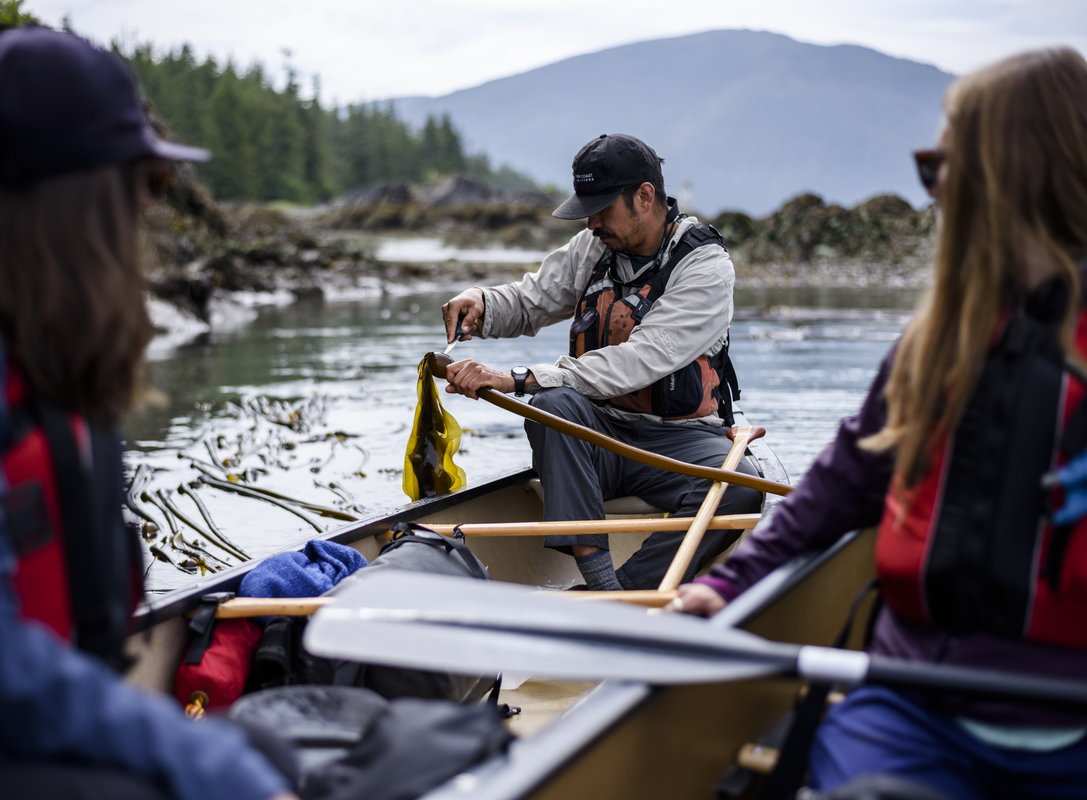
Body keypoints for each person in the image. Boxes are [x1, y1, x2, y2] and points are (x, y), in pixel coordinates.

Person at [0, 28, 297, 800]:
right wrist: (199, 761)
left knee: (273, 755)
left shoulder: (25, 337)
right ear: (78, 199)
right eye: (138, 190)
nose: (142, 222)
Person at [673, 49, 1087, 798]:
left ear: (1011, 173)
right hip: (911, 705)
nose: (931, 188)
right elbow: (838, 487)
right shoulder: (935, 348)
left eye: (942, 164)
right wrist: (729, 583)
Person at [441, 133, 763, 592]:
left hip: (679, 443)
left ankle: (618, 594)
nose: (591, 222)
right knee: (552, 407)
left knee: (740, 488)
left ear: (645, 197)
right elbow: (532, 299)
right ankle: (600, 579)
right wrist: (483, 303)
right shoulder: (593, 247)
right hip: (601, 436)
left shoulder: (705, 267)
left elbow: (637, 361)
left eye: (602, 208)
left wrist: (518, 377)